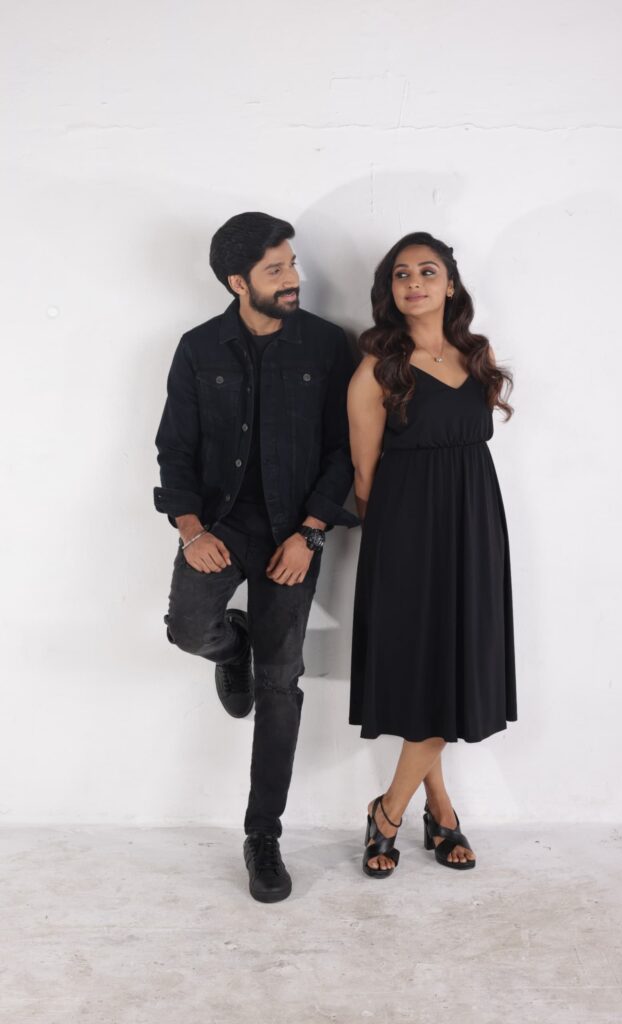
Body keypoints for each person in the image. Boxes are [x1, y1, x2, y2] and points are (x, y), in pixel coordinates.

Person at [154, 212, 358, 902]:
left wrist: (311, 534)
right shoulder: (197, 348)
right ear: (238, 282)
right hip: (220, 525)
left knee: (278, 682)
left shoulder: (326, 345)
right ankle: (229, 643)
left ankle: (262, 835)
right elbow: (174, 448)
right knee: (188, 629)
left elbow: (344, 451)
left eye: (292, 263)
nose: (294, 278)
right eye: (276, 270)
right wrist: (191, 530)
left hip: (291, 534)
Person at [347, 231, 516, 877]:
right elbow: (365, 477)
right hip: (407, 532)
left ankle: (403, 809)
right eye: (400, 274)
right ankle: (411, 813)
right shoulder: (377, 369)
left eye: (427, 271)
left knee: (454, 666)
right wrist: (396, 546)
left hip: (475, 524)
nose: (413, 282)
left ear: (450, 285)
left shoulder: (478, 354)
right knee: (426, 671)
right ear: (389, 290)